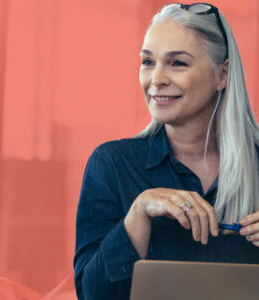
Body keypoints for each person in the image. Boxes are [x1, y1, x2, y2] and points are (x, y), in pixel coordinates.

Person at [73, 3, 259, 300]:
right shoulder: (112, 165)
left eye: (177, 63)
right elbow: (91, 295)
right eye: (148, 62)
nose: (156, 79)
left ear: (222, 74)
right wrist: (138, 214)